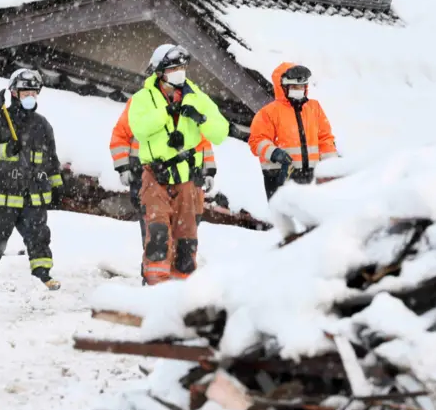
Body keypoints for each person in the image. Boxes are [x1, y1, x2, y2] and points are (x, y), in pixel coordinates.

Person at [128, 44, 228, 285]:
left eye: (182, 67)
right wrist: (167, 111)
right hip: (156, 175)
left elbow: (221, 133)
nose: (179, 72)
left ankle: (180, 289)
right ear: (160, 72)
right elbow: (139, 129)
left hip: (187, 177)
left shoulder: (197, 97)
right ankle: (155, 285)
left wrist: (200, 118)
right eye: (173, 68)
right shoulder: (143, 99)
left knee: (186, 240)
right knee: (159, 235)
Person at [0, 68, 65, 291]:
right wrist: (6, 149)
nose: (30, 97)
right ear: (14, 93)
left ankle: (42, 275)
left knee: (39, 236)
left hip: (33, 196)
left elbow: (51, 159)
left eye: (34, 93)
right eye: (26, 93)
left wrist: (57, 187)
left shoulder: (42, 125)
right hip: (2, 195)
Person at [248, 63, 338, 200]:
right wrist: (275, 153)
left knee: (313, 217)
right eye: (295, 87)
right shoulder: (268, 113)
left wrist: (332, 167)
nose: (299, 90)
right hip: (280, 176)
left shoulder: (314, 108)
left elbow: (325, 139)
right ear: (283, 87)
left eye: (302, 86)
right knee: (286, 219)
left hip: (312, 176)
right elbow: (257, 140)